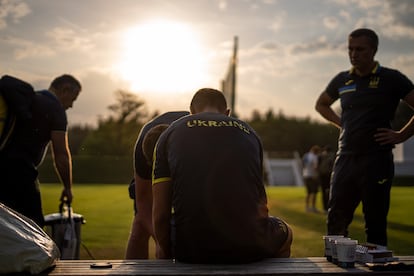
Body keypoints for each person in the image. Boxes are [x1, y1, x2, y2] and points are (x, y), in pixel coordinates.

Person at [152, 88, 292, 263]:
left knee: (169, 233)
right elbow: (261, 205)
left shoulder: (170, 133)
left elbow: (160, 215)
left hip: (190, 249)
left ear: (192, 112)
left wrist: (164, 251)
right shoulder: (250, 133)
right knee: (287, 233)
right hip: (248, 246)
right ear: (227, 113)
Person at [315, 28, 414, 247]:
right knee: (336, 220)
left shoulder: (391, 78)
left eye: (360, 49)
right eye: (350, 49)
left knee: (375, 223)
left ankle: (377, 267)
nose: (354, 54)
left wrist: (401, 135)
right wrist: (342, 124)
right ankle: (334, 267)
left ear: (374, 50)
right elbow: (320, 104)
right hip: (345, 159)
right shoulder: (342, 79)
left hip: (377, 160)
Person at [0, 74, 81, 227]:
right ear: (65, 90)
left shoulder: (29, 100)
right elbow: (61, 155)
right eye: (73, 99)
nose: (71, 106)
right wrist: (68, 188)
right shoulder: (56, 110)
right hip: (21, 174)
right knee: (34, 229)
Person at [125, 111, 189, 259]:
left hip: (187, 163)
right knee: (139, 228)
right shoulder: (142, 151)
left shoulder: (191, 145)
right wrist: (162, 240)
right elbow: (144, 205)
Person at [302, 145, 321, 213]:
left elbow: (303, 164)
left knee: (308, 192)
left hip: (306, 175)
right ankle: (313, 207)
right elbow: (315, 167)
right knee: (314, 192)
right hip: (313, 176)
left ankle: (307, 207)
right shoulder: (315, 156)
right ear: (316, 151)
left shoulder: (306, 155)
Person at [317, 145, 335, 213]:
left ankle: (324, 208)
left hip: (322, 176)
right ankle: (330, 207)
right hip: (330, 175)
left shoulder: (320, 156)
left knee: (323, 192)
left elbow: (317, 166)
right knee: (330, 192)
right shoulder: (332, 155)